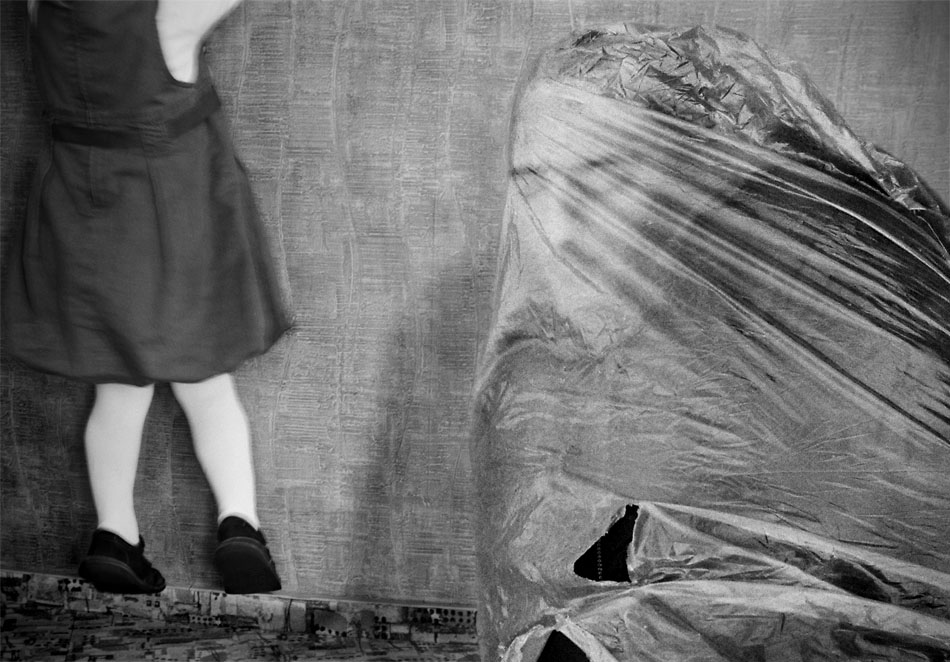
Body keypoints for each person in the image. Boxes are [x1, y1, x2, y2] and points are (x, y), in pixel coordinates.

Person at [2, 0, 292, 595]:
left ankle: (114, 534)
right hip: (171, 205)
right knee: (206, 381)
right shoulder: (169, 17)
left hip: (80, 210)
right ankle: (240, 523)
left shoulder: (41, 8)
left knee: (117, 387)